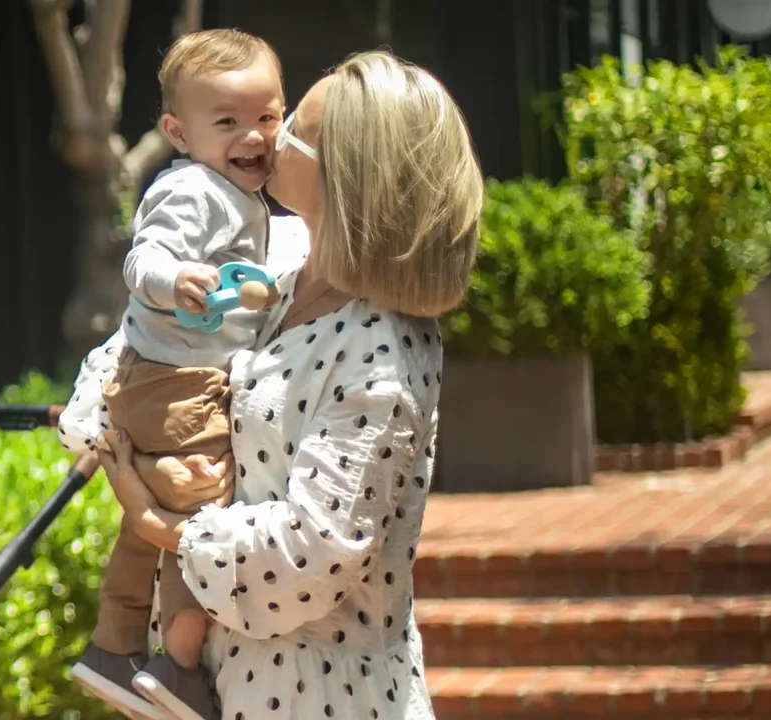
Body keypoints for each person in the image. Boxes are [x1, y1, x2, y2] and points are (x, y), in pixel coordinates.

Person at [101, 49, 483, 720]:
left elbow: (311, 555)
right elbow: (156, 349)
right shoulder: (282, 277)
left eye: (293, 126)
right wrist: (121, 437)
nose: (270, 136)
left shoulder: (383, 348)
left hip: (326, 699)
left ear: (349, 175)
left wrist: (160, 524)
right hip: (232, 684)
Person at [55, 28, 290, 720]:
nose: (255, 136)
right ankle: (178, 666)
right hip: (180, 386)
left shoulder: (235, 192)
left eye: (269, 117)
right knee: (198, 517)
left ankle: (114, 645)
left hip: (163, 379)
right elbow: (142, 258)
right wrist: (176, 277)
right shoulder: (193, 187)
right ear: (177, 132)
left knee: (146, 525)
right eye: (228, 123)